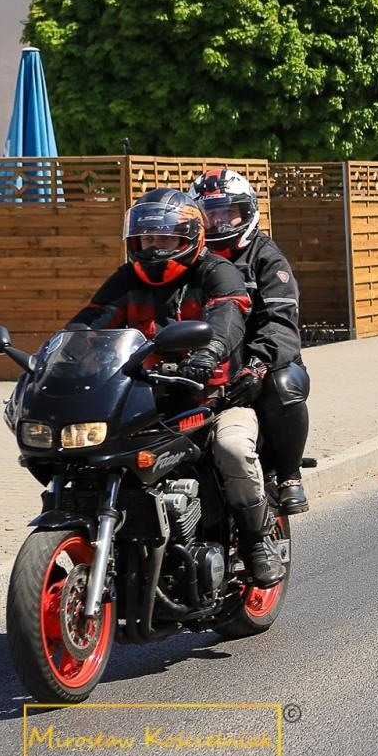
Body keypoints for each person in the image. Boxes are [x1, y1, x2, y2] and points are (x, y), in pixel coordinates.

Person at [69, 189, 285, 586]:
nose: (153, 247)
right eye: (147, 239)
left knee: (233, 450)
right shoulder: (125, 280)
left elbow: (227, 319)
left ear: (188, 238)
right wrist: (59, 356)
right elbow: (91, 322)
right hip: (146, 399)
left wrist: (209, 355)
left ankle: (257, 543)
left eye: (163, 239)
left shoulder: (217, 272)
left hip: (213, 398)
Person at [189, 169, 313, 517]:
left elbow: (281, 325)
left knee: (283, 383)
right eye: (210, 215)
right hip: (202, 364)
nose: (220, 222)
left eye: (229, 212)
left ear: (247, 212)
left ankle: (288, 474)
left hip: (258, 361)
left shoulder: (267, 258)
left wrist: (257, 365)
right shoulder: (189, 260)